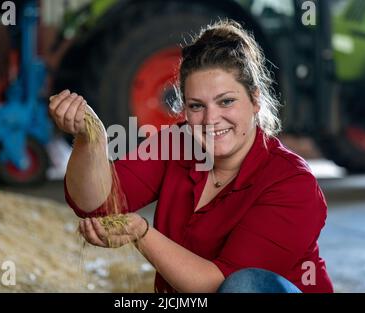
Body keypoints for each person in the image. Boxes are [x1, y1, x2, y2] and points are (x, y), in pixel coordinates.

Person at [48, 19, 334, 293]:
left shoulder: (292, 184)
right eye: (197, 106)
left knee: (244, 285)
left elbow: (216, 285)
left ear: (255, 100)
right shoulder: (177, 143)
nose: (212, 118)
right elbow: (97, 203)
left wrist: (142, 233)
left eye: (226, 101)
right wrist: (89, 140)